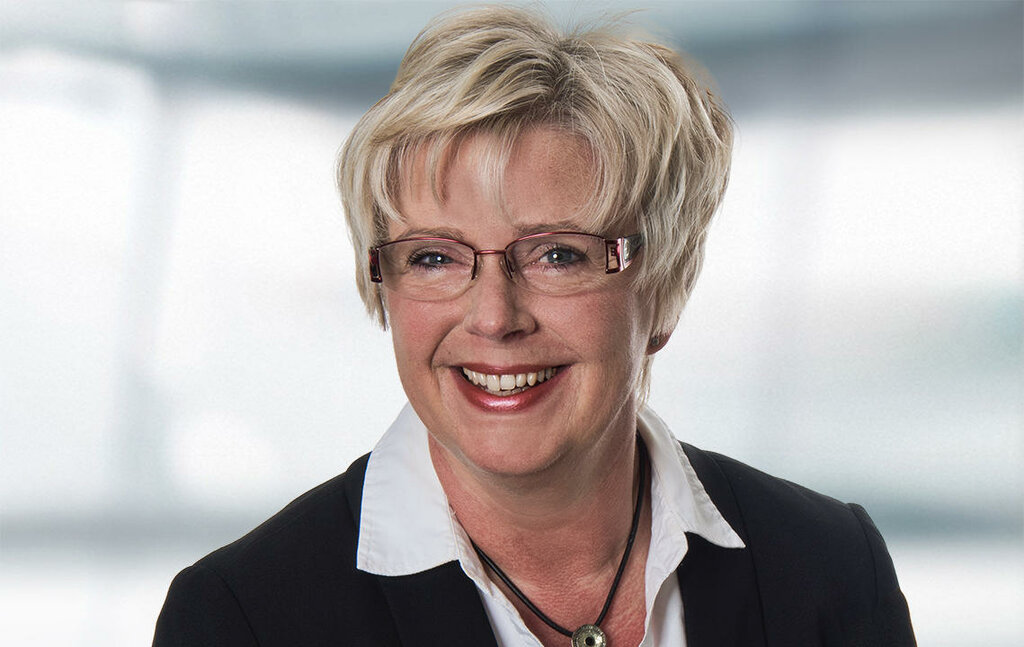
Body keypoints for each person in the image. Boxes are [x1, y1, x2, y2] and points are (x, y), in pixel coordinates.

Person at [153, 6, 915, 646]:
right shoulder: (241, 619)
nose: (494, 316)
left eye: (557, 254)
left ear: (664, 285)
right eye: (433, 257)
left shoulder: (833, 570)